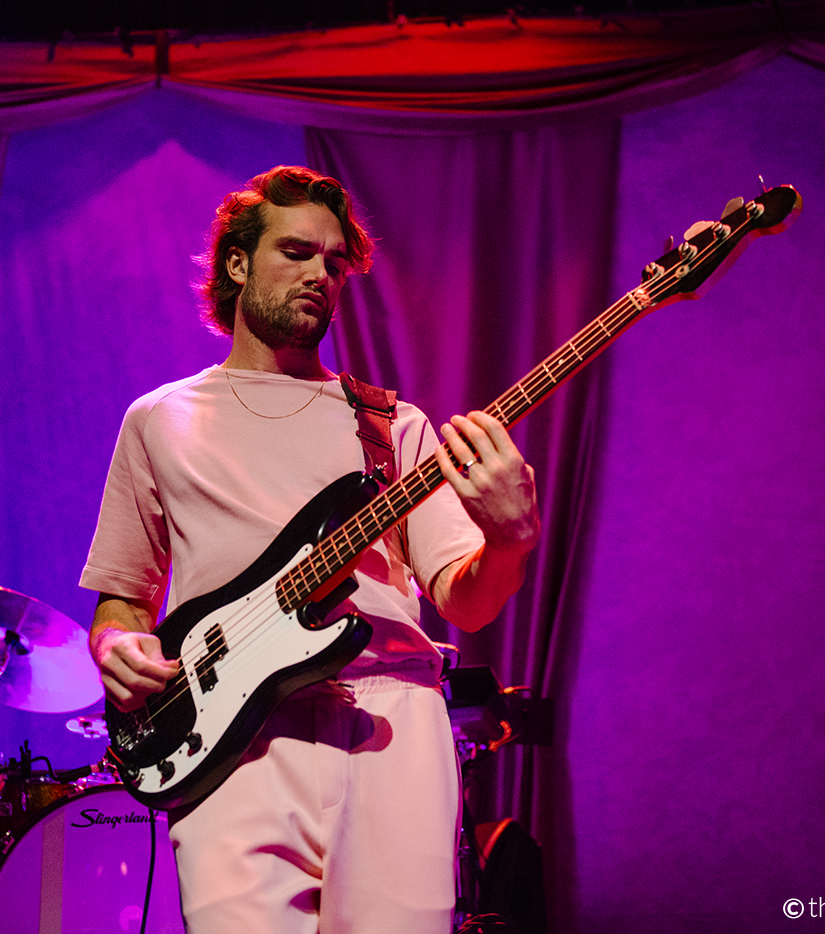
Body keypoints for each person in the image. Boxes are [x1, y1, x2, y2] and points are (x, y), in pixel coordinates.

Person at [81, 165, 540, 934]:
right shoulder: (158, 420)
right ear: (237, 263)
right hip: (229, 736)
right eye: (296, 252)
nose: (320, 275)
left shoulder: (390, 425)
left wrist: (510, 539)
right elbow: (123, 598)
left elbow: (469, 602)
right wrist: (117, 644)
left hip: (389, 721)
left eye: (334, 262)